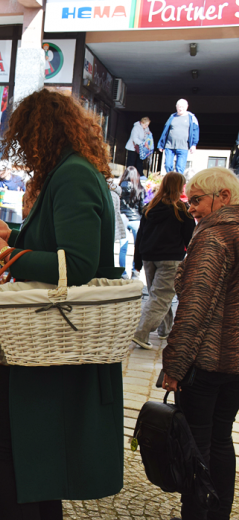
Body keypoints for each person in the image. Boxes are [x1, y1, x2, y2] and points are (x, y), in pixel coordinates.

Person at [0, 89, 125, 520]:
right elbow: (57, 247)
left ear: (42, 133)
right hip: (47, 341)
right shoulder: (72, 171)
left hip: (50, 342)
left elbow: (75, 263)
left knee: (4, 446)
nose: (24, 151)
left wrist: (6, 253)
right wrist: (13, 236)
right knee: (34, 460)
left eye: (25, 139)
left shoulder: (72, 175)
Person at [162, 166, 239, 520]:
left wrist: (174, 367)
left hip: (206, 364)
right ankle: (218, 515)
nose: (191, 208)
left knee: (197, 448)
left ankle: (197, 514)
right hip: (235, 365)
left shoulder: (213, 237)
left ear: (223, 197)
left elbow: (193, 309)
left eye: (196, 200)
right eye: (188, 200)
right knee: (222, 441)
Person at [131, 172, 195, 351]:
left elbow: (140, 236)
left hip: (148, 257)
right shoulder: (182, 210)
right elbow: (190, 238)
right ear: (180, 186)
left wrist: (137, 262)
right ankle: (140, 333)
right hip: (170, 258)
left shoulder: (150, 208)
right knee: (161, 297)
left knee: (157, 296)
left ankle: (165, 330)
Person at [157, 99, 199, 174]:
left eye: (182, 107)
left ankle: (179, 184)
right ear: (176, 107)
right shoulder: (172, 117)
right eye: (179, 106)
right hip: (169, 146)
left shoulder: (191, 118)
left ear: (187, 107)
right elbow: (165, 131)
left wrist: (193, 145)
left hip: (183, 147)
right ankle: (170, 180)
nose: (180, 108)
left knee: (180, 168)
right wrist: (161, 144)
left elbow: (195, 131)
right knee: (167, 165)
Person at [118, 166, 145, 279]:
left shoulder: (119, 187)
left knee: (123, 247)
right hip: (136, 219)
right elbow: (142, 206)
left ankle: (122, 272)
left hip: (123, 218)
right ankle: (135, 271)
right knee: (137, 247)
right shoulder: (139, 188)